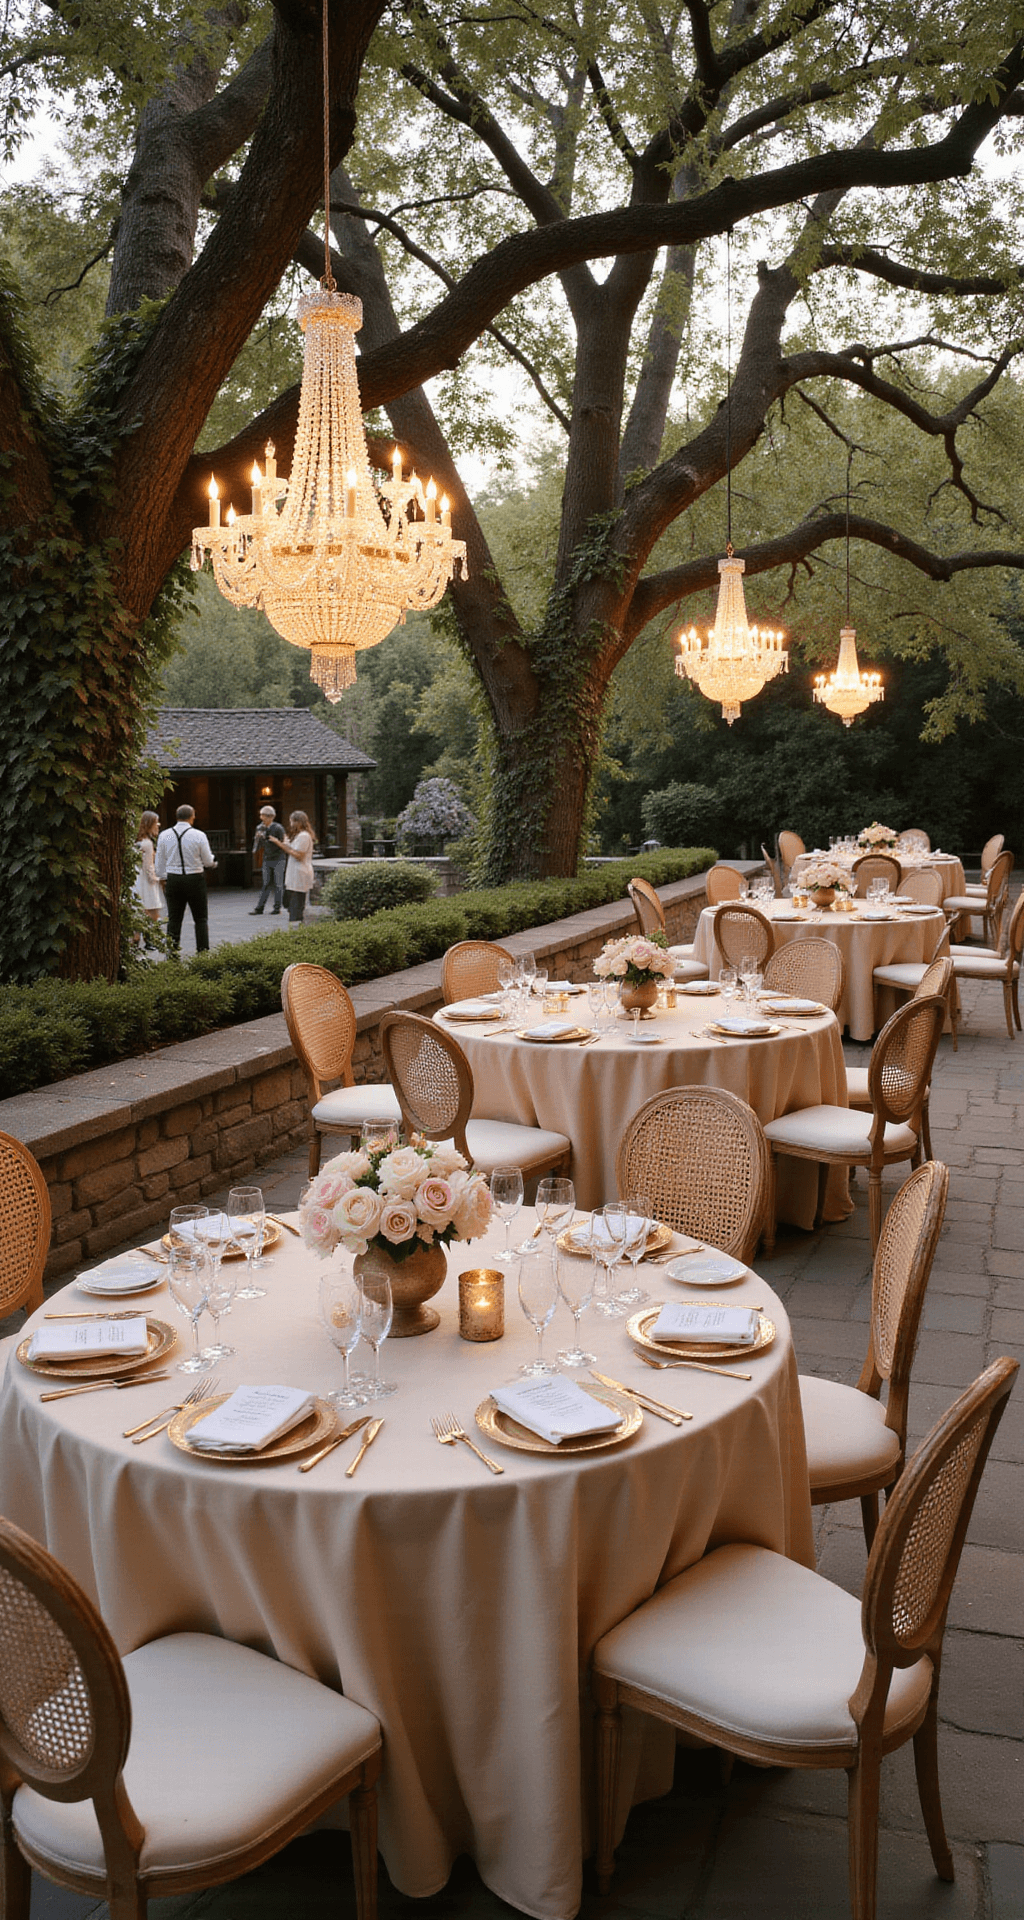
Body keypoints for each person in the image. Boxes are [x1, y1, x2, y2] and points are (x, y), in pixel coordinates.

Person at [155, 804, 217, 952]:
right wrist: (214, 863)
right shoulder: (199, 835)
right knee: (200, 918)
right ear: (192, 816)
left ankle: (172, 953)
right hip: (195, 878)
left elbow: (159, 863)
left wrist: (163, 878)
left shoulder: (164, 835)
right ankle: (202, 951)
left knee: (174, 919)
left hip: (173, 879)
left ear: (177, 816)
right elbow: (208, 861)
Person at [279, 810, 315, 924]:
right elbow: (293, 849)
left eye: (291, 821)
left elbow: (299, 855)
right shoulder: (299, 836)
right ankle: (295, 924)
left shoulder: (304, 836)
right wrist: (286, 842)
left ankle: (296, 927)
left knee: (296, 904)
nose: (290, 824)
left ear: (297, 822)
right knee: (288, 901)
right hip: (294, 874)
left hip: (300, 873)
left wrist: (281, 845)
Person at [250, 805, 287, 915]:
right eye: (261, 816)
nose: (262, 818)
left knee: (278, 884)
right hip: (267, 858)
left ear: (270, 817)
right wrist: (258, 838)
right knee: (266, 883)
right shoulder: (259, 827)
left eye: (263, 816)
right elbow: (259, 845)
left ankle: (277, 908)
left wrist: (275, 841)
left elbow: (284, 844)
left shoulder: (278, 828)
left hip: (278, 858)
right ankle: (259, 908)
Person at [132, 812, 163, 931]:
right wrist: (155, 879)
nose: (158, 825)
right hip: (146, 880)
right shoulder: (148, 844)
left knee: (141, 908)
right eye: (156, 823)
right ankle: (151, 936)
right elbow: (148, 866)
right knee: (152, 909)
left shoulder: (136, 842)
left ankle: (137, 935)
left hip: (137, 878)